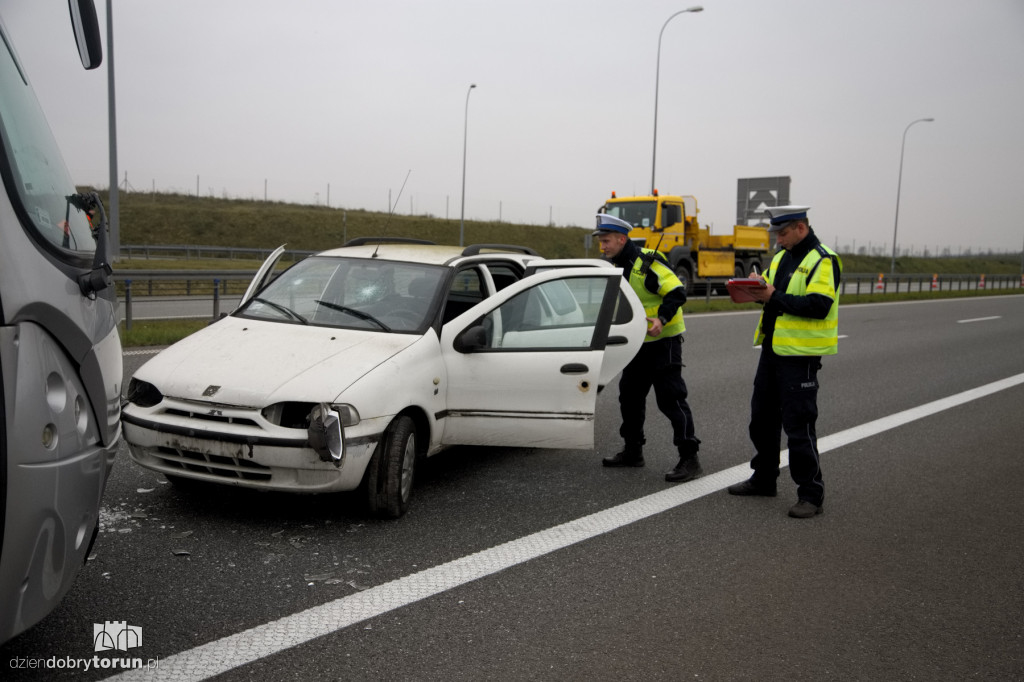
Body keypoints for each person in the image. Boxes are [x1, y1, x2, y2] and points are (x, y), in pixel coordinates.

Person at [727, 205, 842, 518]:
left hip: (800, 356)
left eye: (783, 232)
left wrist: (771, 295)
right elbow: (766, 289)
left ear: (801, 228)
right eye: (776, 232)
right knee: (761, 419)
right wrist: (748, 286)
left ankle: (811, 495)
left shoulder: (822, 259)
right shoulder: (780, 257)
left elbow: (818, 305)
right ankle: (764, 479)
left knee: (799, 426)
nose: (777, 238)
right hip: (772, 349)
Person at [593, 214, 703, 483]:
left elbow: (677, 291)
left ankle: (690, 458)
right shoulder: (617, 266)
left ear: (622, 239)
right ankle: (633, 451)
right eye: (601, 242)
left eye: (606, 241)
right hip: (637, 344)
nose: (602, 247)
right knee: (629, 398)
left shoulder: (647, 262)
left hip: (663, 342)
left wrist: (662, 319)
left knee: (671, 401)